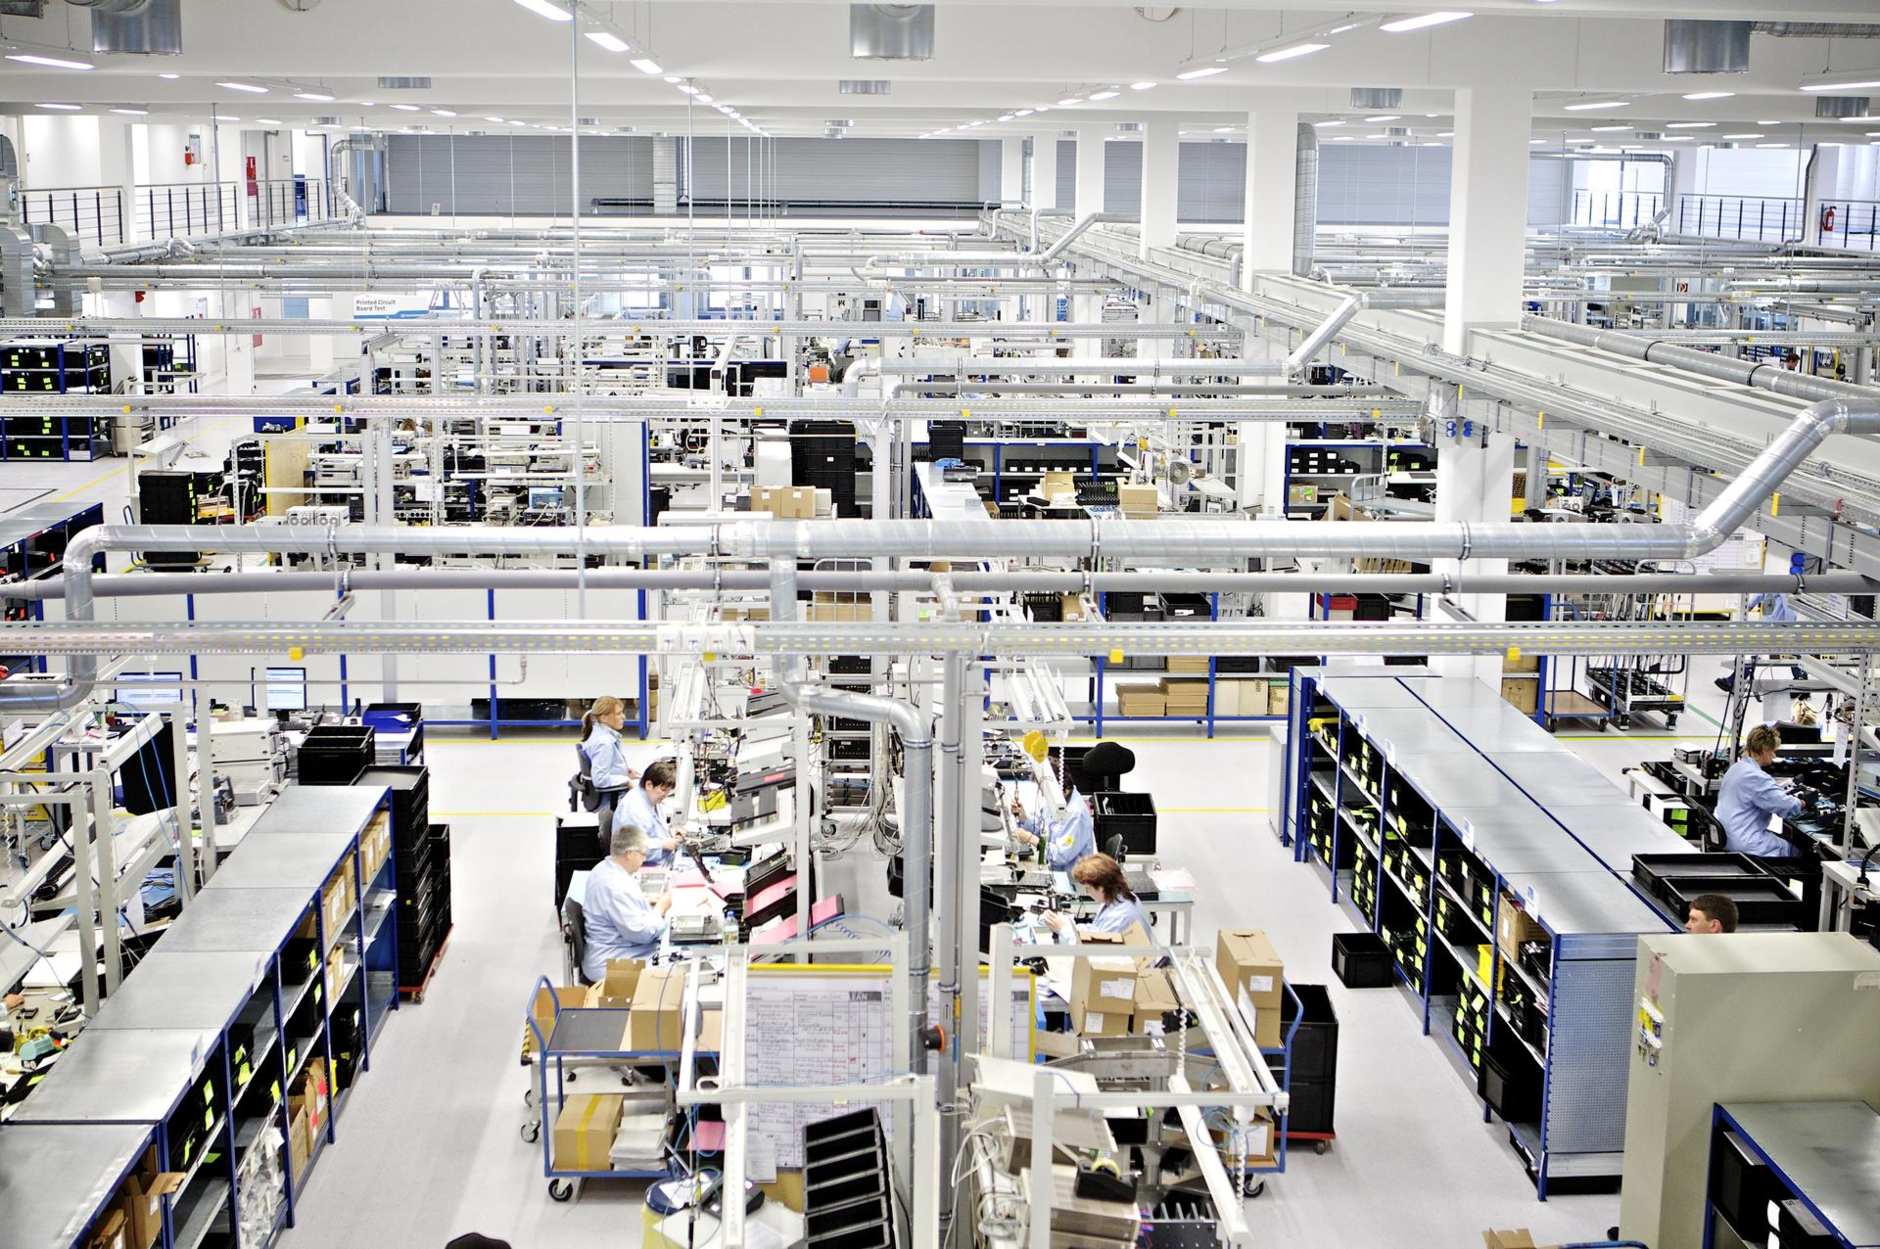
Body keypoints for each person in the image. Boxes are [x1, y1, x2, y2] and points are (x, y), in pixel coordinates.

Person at [580, 823, 673, 982]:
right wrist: (660, 909)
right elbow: (643, 934)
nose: (644, 859)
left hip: (613, 948)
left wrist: (644, 901)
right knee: (674, 969)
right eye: (643, 854)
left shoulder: (603, 868)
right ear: (629, 853)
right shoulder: (617, 888)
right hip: (613, 961)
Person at [1715, 725, 1806, 858]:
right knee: (1797, 851)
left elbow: (1765, 794)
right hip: (1745, 842)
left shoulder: (1736, 768)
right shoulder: (1756, 777)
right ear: (1764, 750)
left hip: (1725, 836)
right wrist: (1802, 803)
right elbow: (1786, 806)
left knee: (1776, 837)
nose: (1774, 756)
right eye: (1773, 751)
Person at [1042, 853, 1151, 944]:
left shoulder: (1120, 917)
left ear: (1101, 887)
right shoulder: (1116, 898)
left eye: (1088, 888)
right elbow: (1097, 931)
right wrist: (1069, 925)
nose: (1087, 892)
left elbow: (1095, 951)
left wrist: (1063, 929)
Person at [1011, 771, 1095, 871]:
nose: (1042, 793)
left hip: (1072, 878)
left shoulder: (1076, 814)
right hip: (1054, 869)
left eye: (1043, 789)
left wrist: (1031, 839)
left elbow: (1060, 856)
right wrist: (1023, 816)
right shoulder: (1056, 799)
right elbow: (1040, 827)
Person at [579, 696, 637, 839]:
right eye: (618, 714)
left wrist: (624, 771)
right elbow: (600, 779)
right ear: (604, 718)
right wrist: (625, 781)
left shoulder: (599, 733)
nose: (623, 716)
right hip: (611, 799)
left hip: (610, 794)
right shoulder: (604, 743)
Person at [620, 758, 686, 868]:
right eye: (663, 790)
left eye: (668, 791)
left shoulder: (651, 797)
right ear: (649, 785)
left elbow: (652, 828)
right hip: (642, 867)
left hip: (660, 861)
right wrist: (662, 845)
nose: (665, 795)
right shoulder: (635, 810)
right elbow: (632, 848)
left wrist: (670, 831)